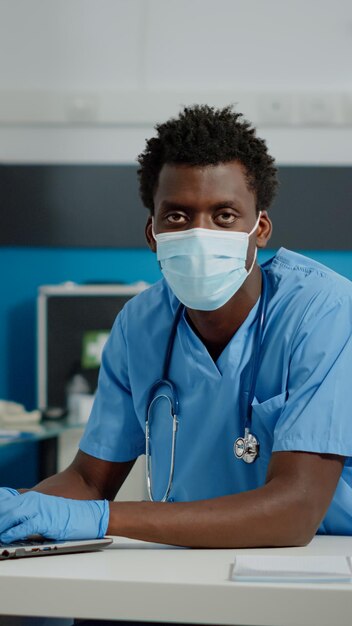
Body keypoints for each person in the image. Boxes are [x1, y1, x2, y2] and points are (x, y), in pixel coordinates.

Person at [1, 105, 352, 556]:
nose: (200, 233)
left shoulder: (323, 312)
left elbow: (296, 509)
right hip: (186, 558)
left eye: (224, 215)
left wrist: (102, 517)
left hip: (314, 563)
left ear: (259, 228)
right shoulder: (140, 324)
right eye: (178, 216)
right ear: (152, 232)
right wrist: (22, 508)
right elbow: (90, 480)